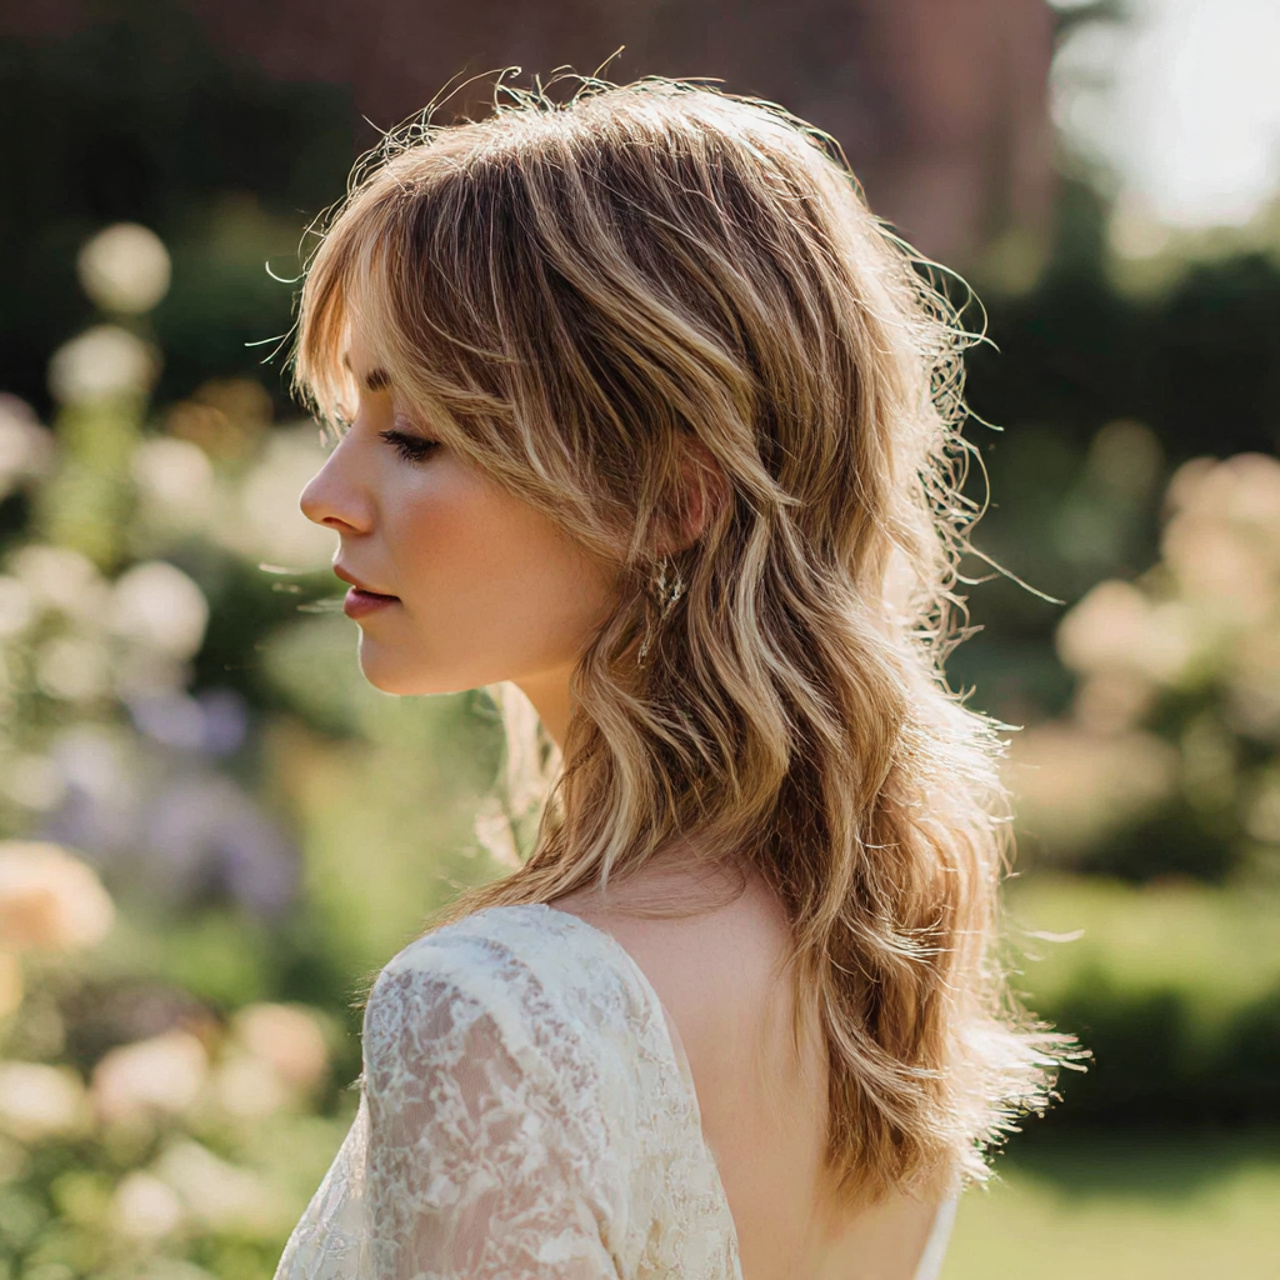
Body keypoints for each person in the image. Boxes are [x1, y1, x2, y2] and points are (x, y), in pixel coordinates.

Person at [275, 76, 1070, 1280]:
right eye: (347, 415)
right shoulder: (865, 931)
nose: (324, 494)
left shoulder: (497, 1008)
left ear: (672, 499)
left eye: (415, 434)